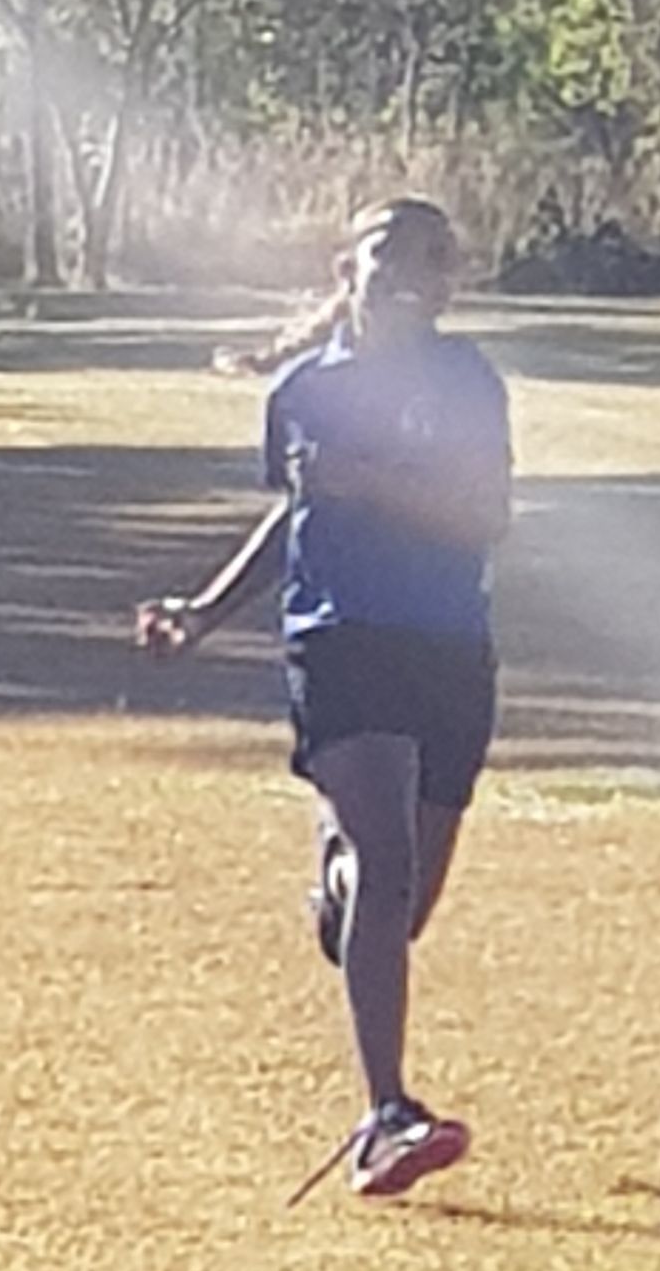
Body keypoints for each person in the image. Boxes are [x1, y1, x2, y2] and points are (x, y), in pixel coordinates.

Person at [136, 195, 512, 1199]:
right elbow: (296, 516)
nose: (406, 274)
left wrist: (370, 484)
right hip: (340, 641)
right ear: (348, 267)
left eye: (428, 259)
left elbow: (485, 517)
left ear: (446, 281)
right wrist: (205, 612)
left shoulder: (467, 382)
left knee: (400, 903)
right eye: (386, 254)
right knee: (388, 864)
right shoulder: (304, 391)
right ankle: (386, 1115)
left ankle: (337, 891)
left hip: (449, 646)